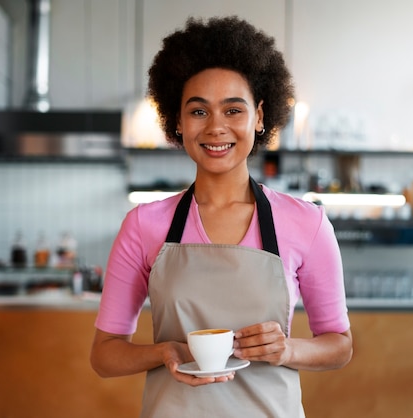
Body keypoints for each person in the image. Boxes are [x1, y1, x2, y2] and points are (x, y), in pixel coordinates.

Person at [90, 15, 352, 417]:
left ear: (259, 117)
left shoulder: (307, 224)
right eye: (198, 112)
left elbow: (339, 345)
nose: (216, 127)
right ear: (177, 121)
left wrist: (288, 349)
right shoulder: (144, 225)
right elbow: (105, 356)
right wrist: (165, 352)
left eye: (233, 110)